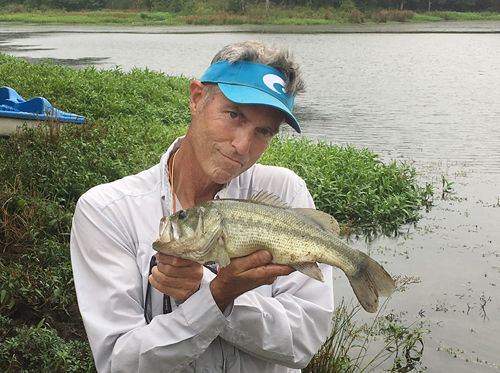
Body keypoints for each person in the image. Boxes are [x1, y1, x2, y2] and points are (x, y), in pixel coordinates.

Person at [70, 40, 334, 373]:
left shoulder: (286, 192)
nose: (242, 146)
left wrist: (211, 294)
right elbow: (121, 362)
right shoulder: (108, 211)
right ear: (197, 98)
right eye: (234, 115)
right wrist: (218, 297)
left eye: (264, 131)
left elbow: (304, 341)